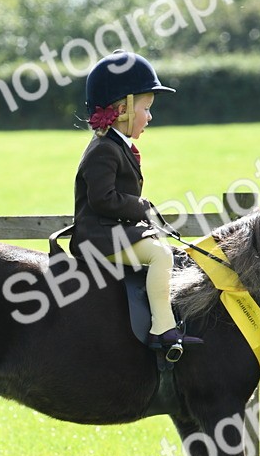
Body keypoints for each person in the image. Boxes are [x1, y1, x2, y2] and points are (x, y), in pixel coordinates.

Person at [70, 50, 200, 351]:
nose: (150, 117)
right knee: (160, 256)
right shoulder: (103, 149)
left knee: (168, 252)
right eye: (146, 108)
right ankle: (162, 329)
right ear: (125, 107)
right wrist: (143, 207)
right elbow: (102, 199)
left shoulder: (117, 146)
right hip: (97, 238)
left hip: (112, 233)